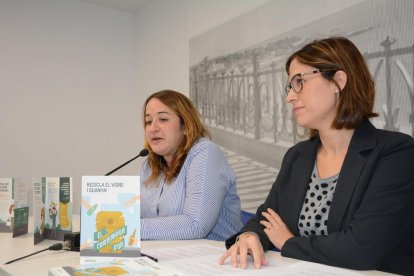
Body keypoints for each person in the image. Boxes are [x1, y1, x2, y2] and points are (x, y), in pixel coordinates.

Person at [219, 37, 414, 275]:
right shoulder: (298, 156)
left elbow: (362, 248)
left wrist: (288, 243)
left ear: (338, 81)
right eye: (290, 86)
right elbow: (266, 219)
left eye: (299, 81)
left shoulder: (395, 153)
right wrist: (250, 236)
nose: (290, 96)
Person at [140, 89, 243, 241]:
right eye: (148, 121)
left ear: (186, 126)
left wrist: (130, 229)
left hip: (217, 258)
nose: (153, 128)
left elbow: (196, 225)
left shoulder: (205, 153)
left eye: (163, 119)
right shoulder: (149, 166)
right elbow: (134, 214)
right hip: (168, 255)